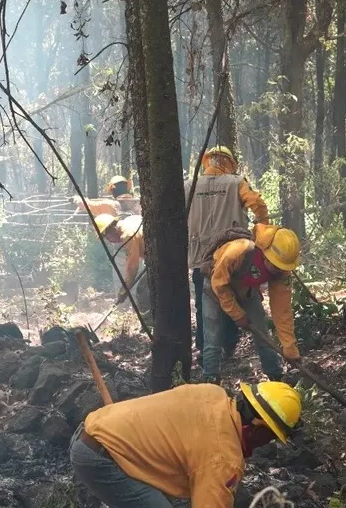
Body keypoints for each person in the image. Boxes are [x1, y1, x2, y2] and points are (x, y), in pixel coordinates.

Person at [70, 380, 302, 507]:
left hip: (95, 428)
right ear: (256, 428)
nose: (267, 444)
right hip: (102, 459)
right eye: (271, 437)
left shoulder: (213, 393)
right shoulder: (222, 459)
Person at [187, 146, 271, 368]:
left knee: (205, 306)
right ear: (230, 163)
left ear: (206, 162)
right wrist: (260, 231)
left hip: (200, 258)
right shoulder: (236, 183)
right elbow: (258, 205)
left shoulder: (190, 185)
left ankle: (207, 354)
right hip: (237, 256)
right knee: (235, 295)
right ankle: (230, 346)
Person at [202, 223, 300, 382]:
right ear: (266, 252)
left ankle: (276, 376)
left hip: (246, 291)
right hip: (214, 288)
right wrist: (237, 314)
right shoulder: (238, 252)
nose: (278, 269)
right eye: (275, 265)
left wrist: (290, 348)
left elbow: (282, 311)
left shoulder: (282, 272)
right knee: (213, 336)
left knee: (261, 331)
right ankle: (210, 379)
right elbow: (219, 285)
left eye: (282, 267)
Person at [94, 213, 145, 305]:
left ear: (112, 228)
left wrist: (123, 291)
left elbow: (133, 268)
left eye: (106, 237)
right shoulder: (129, 221)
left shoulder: (127, 235)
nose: (109, 241)